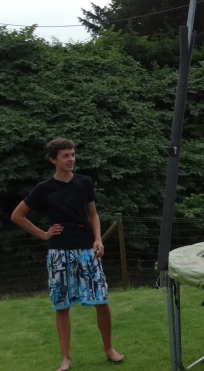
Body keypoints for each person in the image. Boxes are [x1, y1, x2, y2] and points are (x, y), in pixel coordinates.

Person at [10, 138, 124, 371]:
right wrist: (43, 234)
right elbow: (17, 215)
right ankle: (66, 358)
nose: (71, 159)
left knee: (101, 301)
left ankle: (109, 349)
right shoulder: (44, 188)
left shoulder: (84, 183)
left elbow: (93, 215)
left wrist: (98, 239)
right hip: (59, 254)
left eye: (72, 154)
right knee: (61, 306)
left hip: (87, 251)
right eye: (65, 155)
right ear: (54, 159)